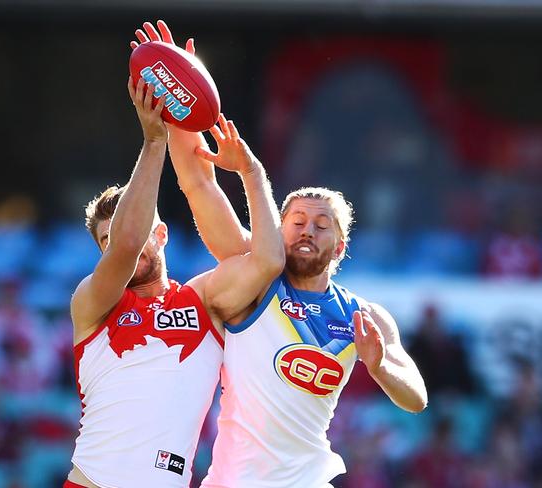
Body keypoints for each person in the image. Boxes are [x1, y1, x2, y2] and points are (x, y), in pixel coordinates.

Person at [134, 21, 428, 488]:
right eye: (295, 223)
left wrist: (379, 366)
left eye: (321, 225)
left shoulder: (362, 317)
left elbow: (416, 399)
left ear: (341, 245)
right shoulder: (255, 277)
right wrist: (177, 100)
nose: (306, 232)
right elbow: (200, 183)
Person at [64, 65, 285, 487]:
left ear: (162, 234)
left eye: (134, 231)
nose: (118, 246)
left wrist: (187, 111)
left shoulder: (203, 300)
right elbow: (127, 245)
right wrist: (153, 140)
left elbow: (267, 262)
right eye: (104, 241)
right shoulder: (94, 303)